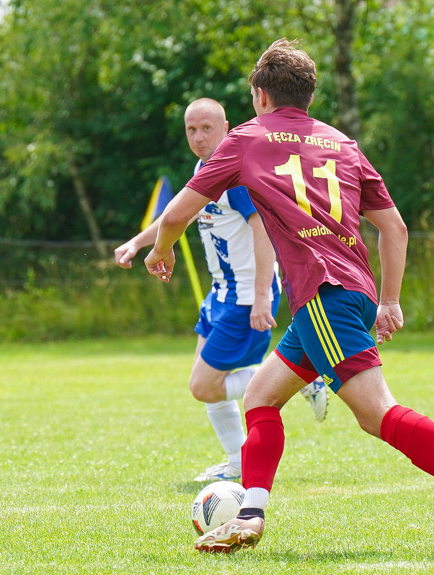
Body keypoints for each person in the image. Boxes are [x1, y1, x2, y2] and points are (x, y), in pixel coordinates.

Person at [142, 39, 434, 555]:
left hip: (323, 295)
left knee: (376, 413)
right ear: (308, 94)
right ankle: (250, 516)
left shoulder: (247, 139)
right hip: (347, 292)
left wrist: (160, 250)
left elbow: (179, 213)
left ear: (259, 95)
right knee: (260, 396)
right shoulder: (342, 143)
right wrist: (389, 300)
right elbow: (395, 228)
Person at [115, 97, 328, 483]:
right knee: (208, 385)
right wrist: (138, 242)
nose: (198, 137)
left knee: (203, 386)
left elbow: (263, 230)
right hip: (220, 295)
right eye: (191, 130)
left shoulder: (237, 174)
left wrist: (263, 294)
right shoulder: (205, 169)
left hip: (245, 297)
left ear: (226, 127)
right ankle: (236, 462)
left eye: (206, 128)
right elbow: (176, 214)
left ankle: (299, 379)